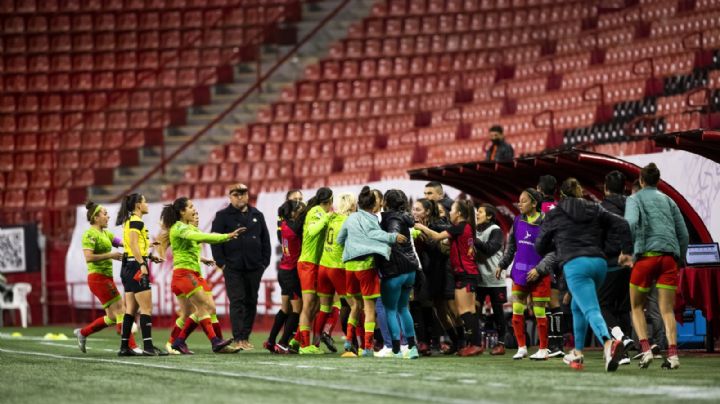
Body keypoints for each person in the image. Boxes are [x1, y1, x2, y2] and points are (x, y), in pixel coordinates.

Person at [535, 178, 633, 372]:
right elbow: (622, 224)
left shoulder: (554, 213)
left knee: (591, 309)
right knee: (577, 306)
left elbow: (540, 245)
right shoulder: (595, 208)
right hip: (599, 264)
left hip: (575, 264)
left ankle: (609, 344)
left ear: (561, 195)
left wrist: (556, 245)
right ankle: (578, 353)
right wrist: (626, 252)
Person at [625, 163, 689, 370]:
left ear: (641, 181)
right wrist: (679, 258)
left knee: (636, 307)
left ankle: (645, 349)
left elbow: (632, 223)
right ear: (658, 181)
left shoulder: (634, 199)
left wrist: (627, 251)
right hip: (669, 259)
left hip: (646, 258)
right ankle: (672, 355)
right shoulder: (669, 200)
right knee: (667, 310)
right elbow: (684, 234)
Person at [159, 197, 239, 354]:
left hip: (192, 273)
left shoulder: (187, 229)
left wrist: (202, 258)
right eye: (190, 207)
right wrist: (227, 236)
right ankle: (213, 342)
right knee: (203, 307)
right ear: (182, 212)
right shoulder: (179, 228)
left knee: (206, 309)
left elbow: (192, 246)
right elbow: (202, 238)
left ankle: (181, 342)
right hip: (184, 274)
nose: (194, 210)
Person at [338, 186, 408, 357]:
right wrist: (393, 237)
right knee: (369, 309)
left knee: (354, 306)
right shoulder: (371, 219)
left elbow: (340, 239)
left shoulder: (350, 218)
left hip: (349, 267)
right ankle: (368, 347)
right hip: (366, 266)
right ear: (373, 205)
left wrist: (351, 246)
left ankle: (348, 342)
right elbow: (374, 233)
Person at [414, 200, 484, 357]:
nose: (448, 212)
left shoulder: (459, 227)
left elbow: (438, 236)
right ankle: (474, 343)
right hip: (466, 273)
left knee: (465, 310)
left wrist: (421, 227)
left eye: (451, 210)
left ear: (459, 213)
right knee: (468, 310)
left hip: (465, 273)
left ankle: (475, 344)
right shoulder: (465, 228)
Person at [211, 183, 271, 351]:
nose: (240, 197)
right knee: (237, 301)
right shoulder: (222, 216)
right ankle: (238, 338)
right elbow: (215, 240)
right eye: (236, 194)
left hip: (254, 267)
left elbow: (265, 240)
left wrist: (264, 263)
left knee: (251, 301)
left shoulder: (257, 215)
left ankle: (245, 337)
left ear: (247, 195)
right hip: (233, 267)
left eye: (243, 193)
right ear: (230, 196)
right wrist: (221, 263)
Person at [74, 201, 139, 354]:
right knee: (121, 310)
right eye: (104, 214)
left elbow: (123, 243)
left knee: (111, 316)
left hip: (105, 278)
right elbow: (89, 258)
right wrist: (111, 255)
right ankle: (131, 346)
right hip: (98, 278)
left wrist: (143, 244)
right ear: (96, 218)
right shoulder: (90, 234)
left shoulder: (106, 233)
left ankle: (83, 333)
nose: (108, 216)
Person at [496, 189, 551, 360]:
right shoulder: (517, 221)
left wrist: (539, 269)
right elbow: (511, 247)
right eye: (519, 201)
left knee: (539, 312)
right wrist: (502, 264)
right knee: (517, 310)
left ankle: (543, 349)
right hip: (519, 273)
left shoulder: (546, 222)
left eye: (524, 201)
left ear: (534, 203)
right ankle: (522, 347)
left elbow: (553, 251)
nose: (519, 204)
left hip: (539, 274)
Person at [116, 193, 166, 356]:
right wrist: (143, 264)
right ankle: (149, 347)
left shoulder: (130, 221)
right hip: (135, 266)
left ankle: (124, 347)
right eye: (145, 202)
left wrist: (149, 254)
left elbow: (133, 246)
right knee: (146, 308)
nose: (147, 205)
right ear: (138, 205)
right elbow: (132, 244)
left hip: (128, 266)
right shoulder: (136, 221)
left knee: (131, 309)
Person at [377, 189, 420, 359]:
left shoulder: (389, 218)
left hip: (395, 270)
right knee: (403, 308)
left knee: (390, 309)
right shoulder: (405, 217)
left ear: (386, 202)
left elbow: (393, 236)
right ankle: (412, 347)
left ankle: (395, 350)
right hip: (410, 270)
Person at [598, 170, 634, 365]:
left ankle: (621, 338)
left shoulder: (601, 208)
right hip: (629, 264)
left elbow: (598, 238)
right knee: (622, 308)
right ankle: (624, 352)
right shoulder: (633, 205)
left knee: (602, 304)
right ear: (625, 187)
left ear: (605, 188)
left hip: (611, 263)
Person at [314, 193, 356, 353]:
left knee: (324, 308)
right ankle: (352, 343)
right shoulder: (349, 221)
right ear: (352, 206)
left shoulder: (330, 217)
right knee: (355, 306)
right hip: (338, 268)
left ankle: (314, 344)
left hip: (323, 266)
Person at [295, 187, 333, 354]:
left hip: (316, 264)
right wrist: (326, 218)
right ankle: (304, 346)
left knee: (315, 305)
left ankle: (297, 340)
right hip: (308, 264)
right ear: (330, 200)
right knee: (309, 304)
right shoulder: (317, 211)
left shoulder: (319, 212)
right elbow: (312, 230)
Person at [265, 200, 305, 354]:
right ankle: (283, 342)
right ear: (292, 213)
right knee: (297, 308)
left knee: (285, 308)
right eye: (298, 209)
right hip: (291, 273)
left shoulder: (283, 225)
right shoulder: (294, 228)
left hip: (283, 270)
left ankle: (270, 341)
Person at [536, 174, 564, 358]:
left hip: (546, 256)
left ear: (539, 189)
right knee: (554, 301)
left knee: (548, 302)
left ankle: (554, 343)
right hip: (562, 255)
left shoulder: (540, 209)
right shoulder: (561, 207)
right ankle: (555, 342)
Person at [474, 203, 508, 356]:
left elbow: (489, 249)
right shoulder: (475, 231)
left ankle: (501, 344)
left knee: (498, 312)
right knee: (475, 311)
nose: (477, 214)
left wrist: (472, 239)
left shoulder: (496, 231)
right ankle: (475, 343)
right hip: (479, 279)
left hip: (495, 279)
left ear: (489, 216)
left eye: (480, 212)